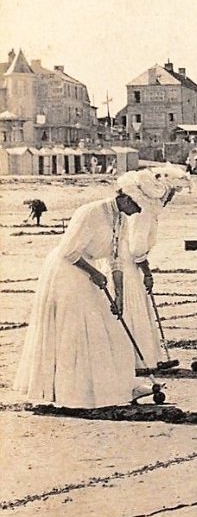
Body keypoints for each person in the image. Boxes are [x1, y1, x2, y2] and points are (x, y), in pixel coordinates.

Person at [14, 173, 147, 408]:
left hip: (87, 270)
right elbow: (68, 251)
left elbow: (116, 260)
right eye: (137, 205)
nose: (139, 211)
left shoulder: (121, 219)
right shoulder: (91, 212)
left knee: (107, 327)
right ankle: (74, 392)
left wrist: (120, 296)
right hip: (67, 272)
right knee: (77, 331)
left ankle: (118, 385)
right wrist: (94, 273)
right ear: (125, 199)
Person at [122, 166, 190, 369]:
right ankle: (135, 361)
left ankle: (139, 359)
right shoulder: (143, 213)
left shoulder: (149, 211)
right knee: (132, 311)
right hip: (128, 268)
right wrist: (148, 273)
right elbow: (136, 249)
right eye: (170, 194)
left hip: (131, 265)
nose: (170, 200)